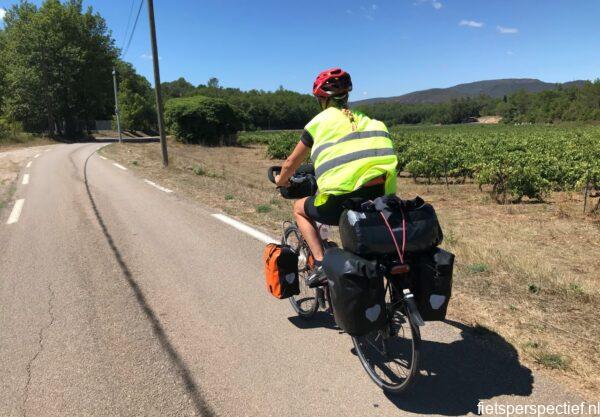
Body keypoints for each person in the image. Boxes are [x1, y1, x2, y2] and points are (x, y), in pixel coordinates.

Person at [275, 68, 398, 286]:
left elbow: (290, 163)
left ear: (322, 99)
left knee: (299, 209)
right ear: (347, 95)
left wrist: (281, 181)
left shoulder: (318, 123)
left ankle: (321, 264)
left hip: (341, 202)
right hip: (380, 200)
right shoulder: (373, 122)